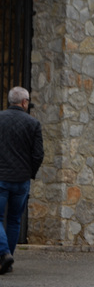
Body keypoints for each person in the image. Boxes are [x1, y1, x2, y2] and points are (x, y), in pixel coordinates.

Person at [0, 87, 44, 274]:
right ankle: (7, 257)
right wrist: (29, 172)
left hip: (1, 177)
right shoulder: (33, 124)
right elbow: (38, 154)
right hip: (21, 180)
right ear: (24, 102)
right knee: (14, 220)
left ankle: (3, 254)